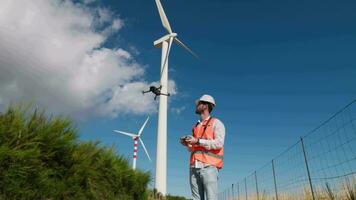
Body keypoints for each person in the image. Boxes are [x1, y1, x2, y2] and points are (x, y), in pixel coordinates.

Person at [180, 94, 226, 200]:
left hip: (209, 167)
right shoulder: (196, 126)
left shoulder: (216, 123)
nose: (196, 106)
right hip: (194, 167)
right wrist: (187, 144)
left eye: (199, 104)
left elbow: (219, 143)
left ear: (205, 106)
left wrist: (198, 140)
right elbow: (194, 148)